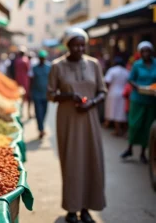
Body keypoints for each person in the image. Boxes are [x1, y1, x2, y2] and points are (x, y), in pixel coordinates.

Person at [47, 28, 106, 223]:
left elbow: (102, 91)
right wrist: (68, 96)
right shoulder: (57, 66)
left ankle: (86, 208)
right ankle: (72, 209)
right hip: (68, 119)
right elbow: (50, 94)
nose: (79, 48)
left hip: (89, 120)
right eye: (75, 45)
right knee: (72, 163)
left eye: (82, 45)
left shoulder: (93, 64)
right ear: (68, 45)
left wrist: (92, 103)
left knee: (91, 162)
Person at [121, 41, 156, 164]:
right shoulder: (137, 65)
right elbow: (130, 80)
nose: (146, 53)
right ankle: (130, 148)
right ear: (140, 53)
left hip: (152, 100)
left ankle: (143, 152)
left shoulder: (155, 63)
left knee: (148, 127)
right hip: (138, 99)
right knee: (135, 125)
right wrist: (138, 87)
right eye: (143, 51)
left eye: (148, 51)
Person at [104, 57, 130, 136]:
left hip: (113, 93)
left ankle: (117, 130)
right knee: (121, 112)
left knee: (114, 112)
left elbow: (107, 81)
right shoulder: (126, 71)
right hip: (123, 94)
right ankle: (124, 131)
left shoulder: (112, 70)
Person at [28, 49, 51, 139]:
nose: (42, 59)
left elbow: (52, 80)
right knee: (38, 112)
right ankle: (41, 129)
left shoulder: (49, 67)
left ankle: (42, 126)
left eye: (43, 58)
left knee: (44, 112)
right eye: (41, 58)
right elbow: (31, 80)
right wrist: (29, 91)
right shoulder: (34, 68)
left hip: (45, 94)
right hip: (36, 93)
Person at [14, 47, 31, 117]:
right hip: (24, 80)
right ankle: (22, 111)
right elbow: (28, 70)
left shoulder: (17, 60)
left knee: (19, 96)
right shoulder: (26, 60)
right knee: (24, 96)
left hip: (18, 79)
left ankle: (20, 111)